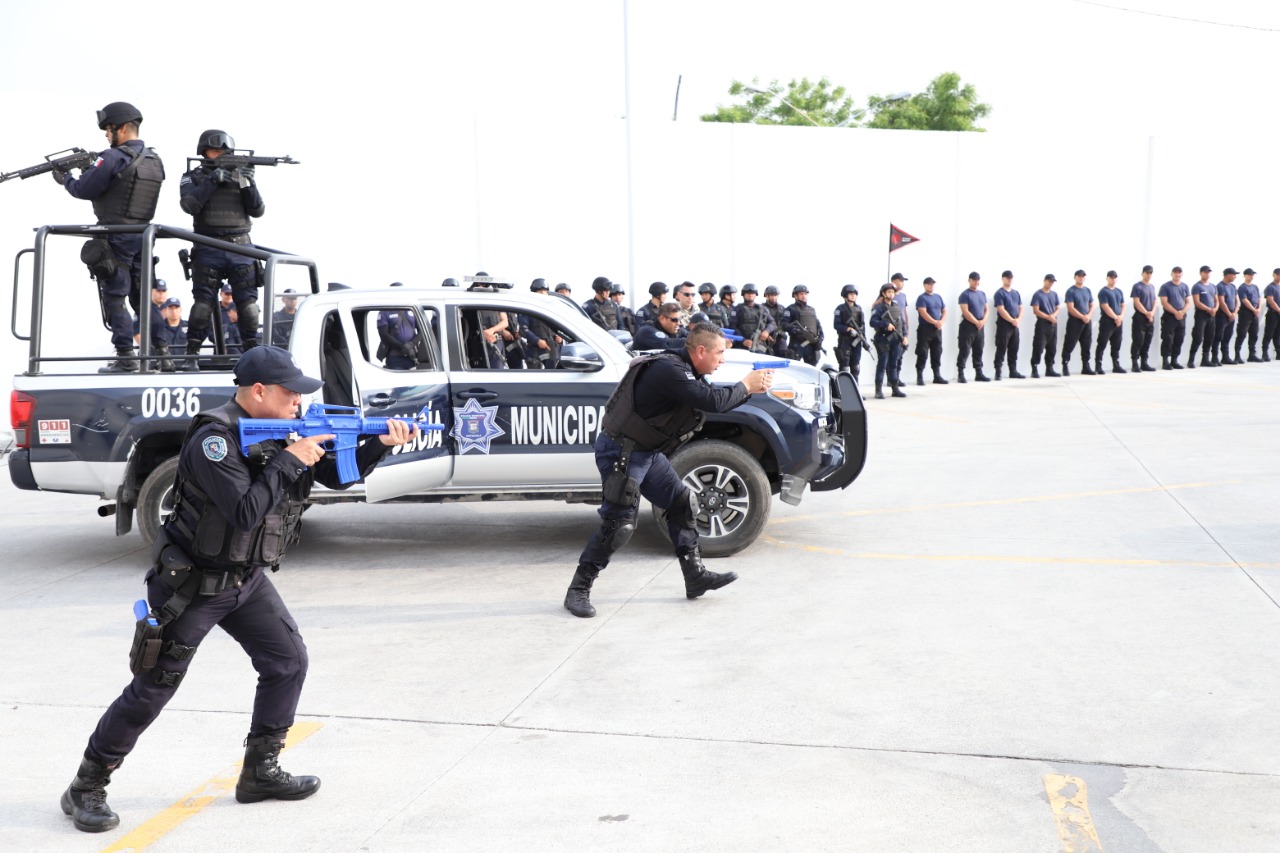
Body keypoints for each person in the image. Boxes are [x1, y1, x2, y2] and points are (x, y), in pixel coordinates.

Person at [60, 346, 417, 834]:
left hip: (246, 580)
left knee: (288, 661)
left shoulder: (286, 431)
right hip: (191, 586)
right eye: (290, 394)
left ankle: (260, 773)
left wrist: (381, 444)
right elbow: (245, 510)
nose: (298, 403)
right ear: (258, 392)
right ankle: (86, 785)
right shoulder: (214, 440)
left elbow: (334, 476)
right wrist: (291, 458)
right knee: (153, 689)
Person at [563, 323, 773, 618]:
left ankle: (694, 577)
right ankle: (578, 590)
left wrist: (747, 389)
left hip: (645, 452)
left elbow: (712, 400)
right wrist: (746, 385)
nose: (722, 359)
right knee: (618, 525)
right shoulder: (669, 370)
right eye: (719, 353)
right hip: (622, 453)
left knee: (682, 504)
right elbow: (711, 402)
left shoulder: (688, 369)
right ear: (700, 351)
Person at [57, 102, 165, 373]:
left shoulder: (114, 157)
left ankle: (126, 355)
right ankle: (164, 354)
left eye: (109, 129)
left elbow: (85, 189)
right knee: (142, 300)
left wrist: (66, 179)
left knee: (115, 296)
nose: (106, 134)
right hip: (143, 235)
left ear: (124, 128)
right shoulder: (154, 160)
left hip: (116, 236)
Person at [179, 130, 266, 367]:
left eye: (224, 152)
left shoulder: (240, 176)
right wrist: (212, 180)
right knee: (202, 304)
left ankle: (253, 355)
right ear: (204, 152)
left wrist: (248, 183)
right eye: (215, 151)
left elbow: (257, 210)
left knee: (248, 306)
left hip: (241, 248)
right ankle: (191, 355)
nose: (219, 155)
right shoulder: (193, 176)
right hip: (209, 247)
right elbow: (189, 205)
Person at [869, 283, 907, 399]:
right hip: (883, 339)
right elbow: (872, 322)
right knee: (882, 364)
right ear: (883, 293)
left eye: (892, 292)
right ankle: (878, 390)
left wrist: (905, 335)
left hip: (896, 339)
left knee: (893, 364)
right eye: (889, 292)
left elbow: (901, 323)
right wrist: (885, 324)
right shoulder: (879, 308)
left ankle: (895, 389)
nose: (891, 294)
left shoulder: (896, 307)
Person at [955, 272, 990, 382]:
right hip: (968, 326)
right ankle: (960, 374)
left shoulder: (982, 294)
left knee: (979, 349)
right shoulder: (965, 295)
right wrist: (976, 322)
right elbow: (965, 311)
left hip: (980, 326)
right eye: (974, 279)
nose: (976, 282)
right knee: (964, 350)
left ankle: (978, 373)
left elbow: (986, 309)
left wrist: (982, 321)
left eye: (978, 280)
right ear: (969, 280)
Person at [913, 277, 947, 385]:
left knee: (937, 352)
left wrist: (941, 321)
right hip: (925, 329)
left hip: (937, 329)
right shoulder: (921, 298)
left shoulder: (938, 297)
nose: (931, 285)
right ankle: (919, 377)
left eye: (932, 284)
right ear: (924, 285)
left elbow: (944, 310)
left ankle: (937, 376)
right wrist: (934, 322)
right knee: (922, 353)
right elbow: (923, 313)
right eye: (928, 284)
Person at [1061, 270, 1095, 376]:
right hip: (1075, 321)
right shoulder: (1071, 291)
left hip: (1087, 321)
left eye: (1083, 276)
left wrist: (1088, 316)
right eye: (1079, 276)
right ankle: (1065, 365)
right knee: (1070, 343)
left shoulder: (1087, 290)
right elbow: (1070, 308)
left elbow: (1092, 304)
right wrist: (1082, 316)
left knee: (1086, 344)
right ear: (1075, 277)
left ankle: (1086, 366)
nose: (1081, 278)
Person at [993, 270, 1026, 380]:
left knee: (1014, 348)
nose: (1009, 279)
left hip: (1015, 325)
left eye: (1011, 278)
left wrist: (1018, 320)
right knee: (1001, 347)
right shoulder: (999, 293)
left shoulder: (1016, 293)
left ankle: (1013, 371)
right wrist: (1012, 320)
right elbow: (1001, 309)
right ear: (1003, 278)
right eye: (1007, 278)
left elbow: (1021, 307)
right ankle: (998, 372)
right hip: (1004, 324)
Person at [522, 279, 562, 368]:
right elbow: (523, 330)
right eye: (540, 292)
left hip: (551, 348)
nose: (543, 294)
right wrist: (537, 340)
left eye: (544, 291)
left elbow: (556, 327)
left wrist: (558, 337)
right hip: (534, 349)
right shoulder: (527, 308)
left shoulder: (551, 309)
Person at [1094, 270, 1127, 374]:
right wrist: (1115, 318)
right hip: (1107, 321)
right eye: (1111, 277)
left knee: (1116, 343)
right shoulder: (1103, 291)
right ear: (1107, 278)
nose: (1113, 279)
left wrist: (1121, 317)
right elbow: (1105, 306)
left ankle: (1116, 365)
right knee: (1102, 343)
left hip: (1118, 320)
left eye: (1115, 277)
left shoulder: (1119, 291)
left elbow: (1123, 305)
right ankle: (1098, 366)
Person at [1158, 266, 1190, 369]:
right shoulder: (1165, 286)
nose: (1177, 274)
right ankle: (1165, 361)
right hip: (1170, 317)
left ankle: (1174, 360)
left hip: (1182, 317)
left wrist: (1182, 311)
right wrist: (1176, 312)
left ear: (1182, 274)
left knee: (1179, 339)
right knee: (1168, 339)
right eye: (1175, 272)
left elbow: (1188, 301)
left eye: (1179, 272)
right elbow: (1164, 302)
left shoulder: (1185, 286)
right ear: (1171, 274)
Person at [1030, 274, 1061, 378]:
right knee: (1039, 346)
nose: (1050, 283)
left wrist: (1053, 316)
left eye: (1052, 282)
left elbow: (1058, 308)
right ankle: (1034, 368)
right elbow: (1036, 310)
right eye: (1049, 281)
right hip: (1042, 323)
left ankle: (1049, 368)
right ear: (1044, 281)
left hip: (1053, 323)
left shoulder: (1054, 294)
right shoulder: (1038, 294)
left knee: (1052, 347)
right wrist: (1048, 317)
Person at [783, 285, 823, 365]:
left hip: (811, 345)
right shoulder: (791, 309)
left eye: (805, 294)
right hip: (797, 344)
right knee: (793, 368)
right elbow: (784, 324)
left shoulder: (811, 309)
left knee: (812, 370)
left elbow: (817, 324)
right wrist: (795, 330)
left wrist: (821, 338)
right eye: (801, 294)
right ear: (795, 296)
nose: (804, 296)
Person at [834, 285, 867, 378]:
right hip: (845, 341)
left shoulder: (859, 309)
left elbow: (863, 325)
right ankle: (842, 390)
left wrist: (864, 340)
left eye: (854, 294)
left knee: (856, 367)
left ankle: (855, 388)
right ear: (845, 295)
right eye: (851, 294)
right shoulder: (840, 309)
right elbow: (836, 325)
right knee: (844, 367)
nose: (853, 296)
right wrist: (847, 329)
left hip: (857, 341)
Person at [1188, 265, 1219, 368]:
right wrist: (1208, 309)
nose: (1207, 274)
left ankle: (1205, 359)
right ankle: (1191, 360)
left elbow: (1216, 300)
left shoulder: (1213, 286)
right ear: (1201, 273)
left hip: (1212, 315)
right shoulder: (1197, 286)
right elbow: (1197, 302)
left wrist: (1215, 309)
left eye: (1209, 272)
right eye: (1205, 272)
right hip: (1201, 315)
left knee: (1209, 337)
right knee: (1197, 337)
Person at [1129, 265, 1158, 372]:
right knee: (1138, 340)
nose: (1148, 275)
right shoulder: (1137, 286)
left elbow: (1155, 301)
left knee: (1147, 341)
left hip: (1150, 317)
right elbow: (1136, 302)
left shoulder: (1152, 287)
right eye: (1146, 273)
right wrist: (1146, 313)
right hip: (1140, 317)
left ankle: (1144, 363)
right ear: (1142, 273)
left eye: (1150, 273)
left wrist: (1152, 313)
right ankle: (1135, 364)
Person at [732, 283, 775, 352]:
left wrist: (766, 331)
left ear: (756, 294)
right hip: (742, 346)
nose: (750, 295)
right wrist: (743, 340)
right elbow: (733, 326)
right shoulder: (737, 309)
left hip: (759, 344)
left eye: (753, 293)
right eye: (748, 293)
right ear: (743, 294)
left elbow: (772, 323)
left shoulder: (763, 309)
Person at [377, 305, 422, 370]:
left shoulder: (413, 309)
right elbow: (384, 335)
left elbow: (422, 332)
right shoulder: (384, 312)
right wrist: (402, 347)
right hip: (394, 357)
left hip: (412, 356)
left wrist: (411, 344)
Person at [1234, 268, 1263, 363]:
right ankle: (1237, 355)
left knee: (1254, 334)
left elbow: (1259, 298)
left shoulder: (1255, 287)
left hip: (1255, 312)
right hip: (1246, 313)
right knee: (1242, 334)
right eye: (1250, 275)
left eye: (1253, 275)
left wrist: (1258, 309)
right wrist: (1253, 309)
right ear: (1245, 275)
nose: (1251, 276)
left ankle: (1252, 354)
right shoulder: (1242, 287)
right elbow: (1244, 300)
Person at [1213, 268, 1240, 365]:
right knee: (1218, 336)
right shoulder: (1220, 286)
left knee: (1227, 336)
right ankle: (1214, 358)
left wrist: (1235, 312)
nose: (1235, 276)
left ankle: (1225, 357)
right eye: (1233, 274)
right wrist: (1229, 314)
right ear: (1227, 275)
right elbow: (1221, 302)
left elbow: (1237, 300)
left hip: (1232, 314)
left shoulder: (1233, 286)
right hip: (1222, 315)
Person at [890, 273, 911, 385]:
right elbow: (876, 305)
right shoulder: (888, 294)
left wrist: (907, 327)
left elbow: (904, 312)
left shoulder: (903, 296)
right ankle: (891, 379)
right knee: (891, 356)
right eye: (900, 281)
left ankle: (896, 378)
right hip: (892, 329)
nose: (902, 283)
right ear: (894, 281)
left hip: (901, 328)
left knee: (900, 355)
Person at [762, 285, 789, 358]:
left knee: (784, 355)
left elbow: (786, 323)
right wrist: (767, 335)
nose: (773, 297)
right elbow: (759, 323)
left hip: (780, 337)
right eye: (771, 295)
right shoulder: (761, 308)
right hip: (766, 338)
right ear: (766, 296)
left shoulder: (782, 308)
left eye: (775, 295)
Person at [220, 284, 244, 355]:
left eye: (231, 294)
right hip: (222, 352)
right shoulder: (214, 311)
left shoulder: (241, 308)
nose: (229, 296)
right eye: (227, 293)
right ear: (221, 294)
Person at [1262, 269, 1280, 361]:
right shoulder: (1270, 287)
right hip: (1273, 313)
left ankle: (1278, 352)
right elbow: (1270, 300)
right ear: (1274, 275)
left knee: (1277, 334)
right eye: (1278, 275)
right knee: (1269, 333)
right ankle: (1264, 353)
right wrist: (1279, 310)